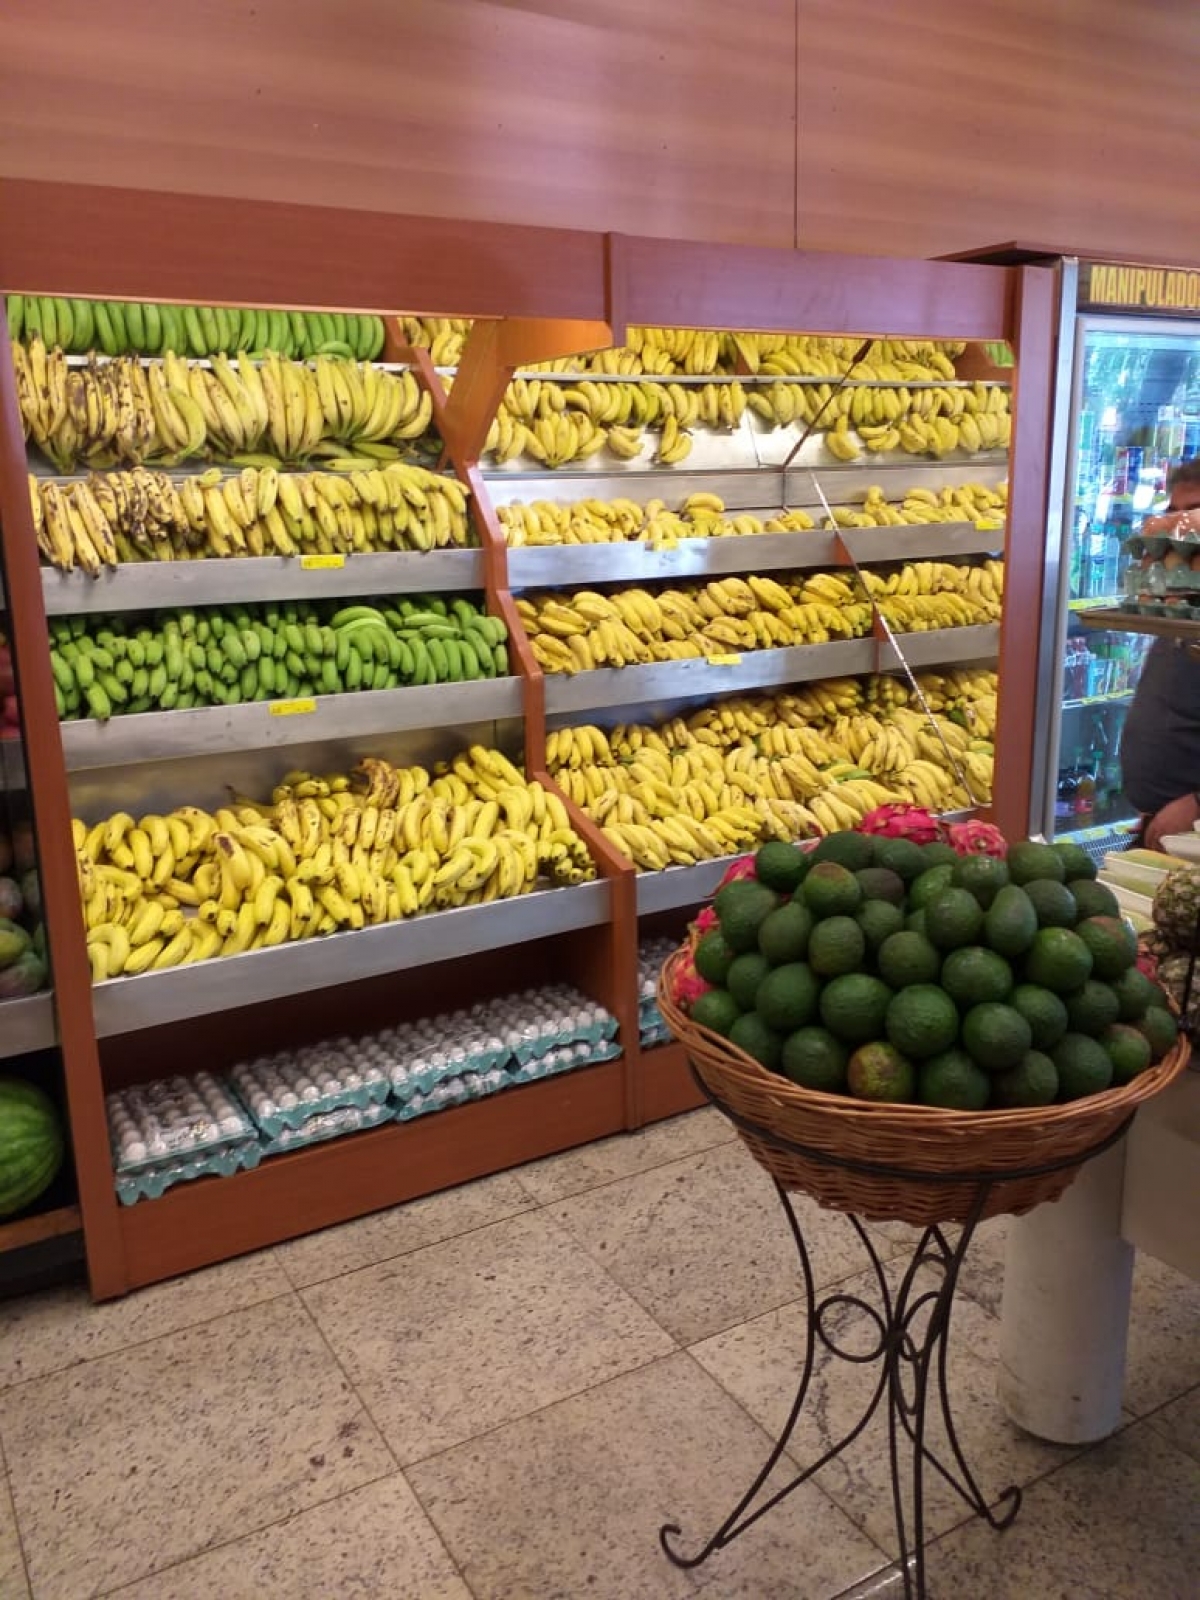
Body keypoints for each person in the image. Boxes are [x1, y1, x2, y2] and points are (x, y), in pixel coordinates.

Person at [1120, 457, 1200, 849]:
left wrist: (1196, 805)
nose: (1178, 526)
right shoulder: (1181, 602)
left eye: (1194, 512)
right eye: (1174, 512)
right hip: (1163, 821)